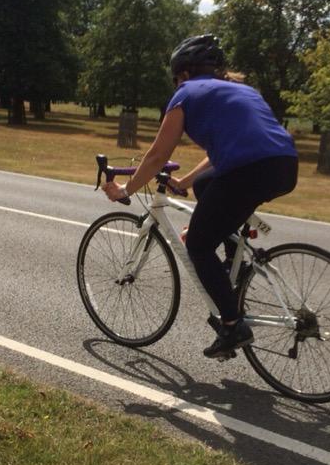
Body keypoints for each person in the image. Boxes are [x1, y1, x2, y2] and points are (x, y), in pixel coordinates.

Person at [104, 34, 298, 358]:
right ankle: (230, 259)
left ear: (182, 73)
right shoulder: (242, 90)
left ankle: (232, 325)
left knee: (197, 243)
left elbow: (155, 157)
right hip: (284, 167)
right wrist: (187, 180)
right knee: (205, 186)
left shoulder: (185, 94)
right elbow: (223, 152)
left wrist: (126, 189)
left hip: (246, 171)